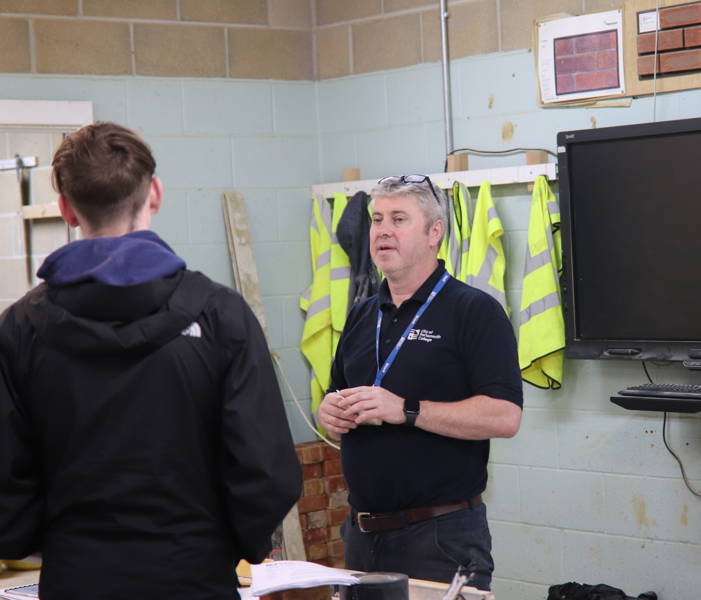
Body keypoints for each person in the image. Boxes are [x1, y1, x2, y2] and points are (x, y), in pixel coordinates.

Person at [0, 122, 303, 599]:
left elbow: (5, 476)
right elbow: (266, 469)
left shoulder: (19, 328)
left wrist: (60, 544)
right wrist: (222, 545)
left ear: (66, 209)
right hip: (194, 575)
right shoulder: (220, 315)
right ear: (155, 193)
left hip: (77, 577)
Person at [316, 174, 523, 590]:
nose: (383, 231)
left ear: (434, 233)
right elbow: (334, 395)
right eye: (377, 220)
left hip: (440, 536)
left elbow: (505, 417)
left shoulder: (474, 311)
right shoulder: (361, 313)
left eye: (399, 219)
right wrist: (328, 412)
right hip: (362, 533)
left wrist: (407, 409)